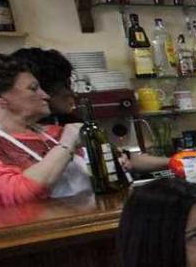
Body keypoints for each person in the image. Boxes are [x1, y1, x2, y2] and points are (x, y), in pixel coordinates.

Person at [12, 47, 169, 175]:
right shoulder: (14, 138)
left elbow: (121, 156)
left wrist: (176, 161)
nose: (72, 93)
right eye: (65, 85)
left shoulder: (69, 122)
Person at [0, 53, 89, 210]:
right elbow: (16, 195)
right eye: (33, 89)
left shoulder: (55, 133)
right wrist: (67, 144)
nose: (45, 95)